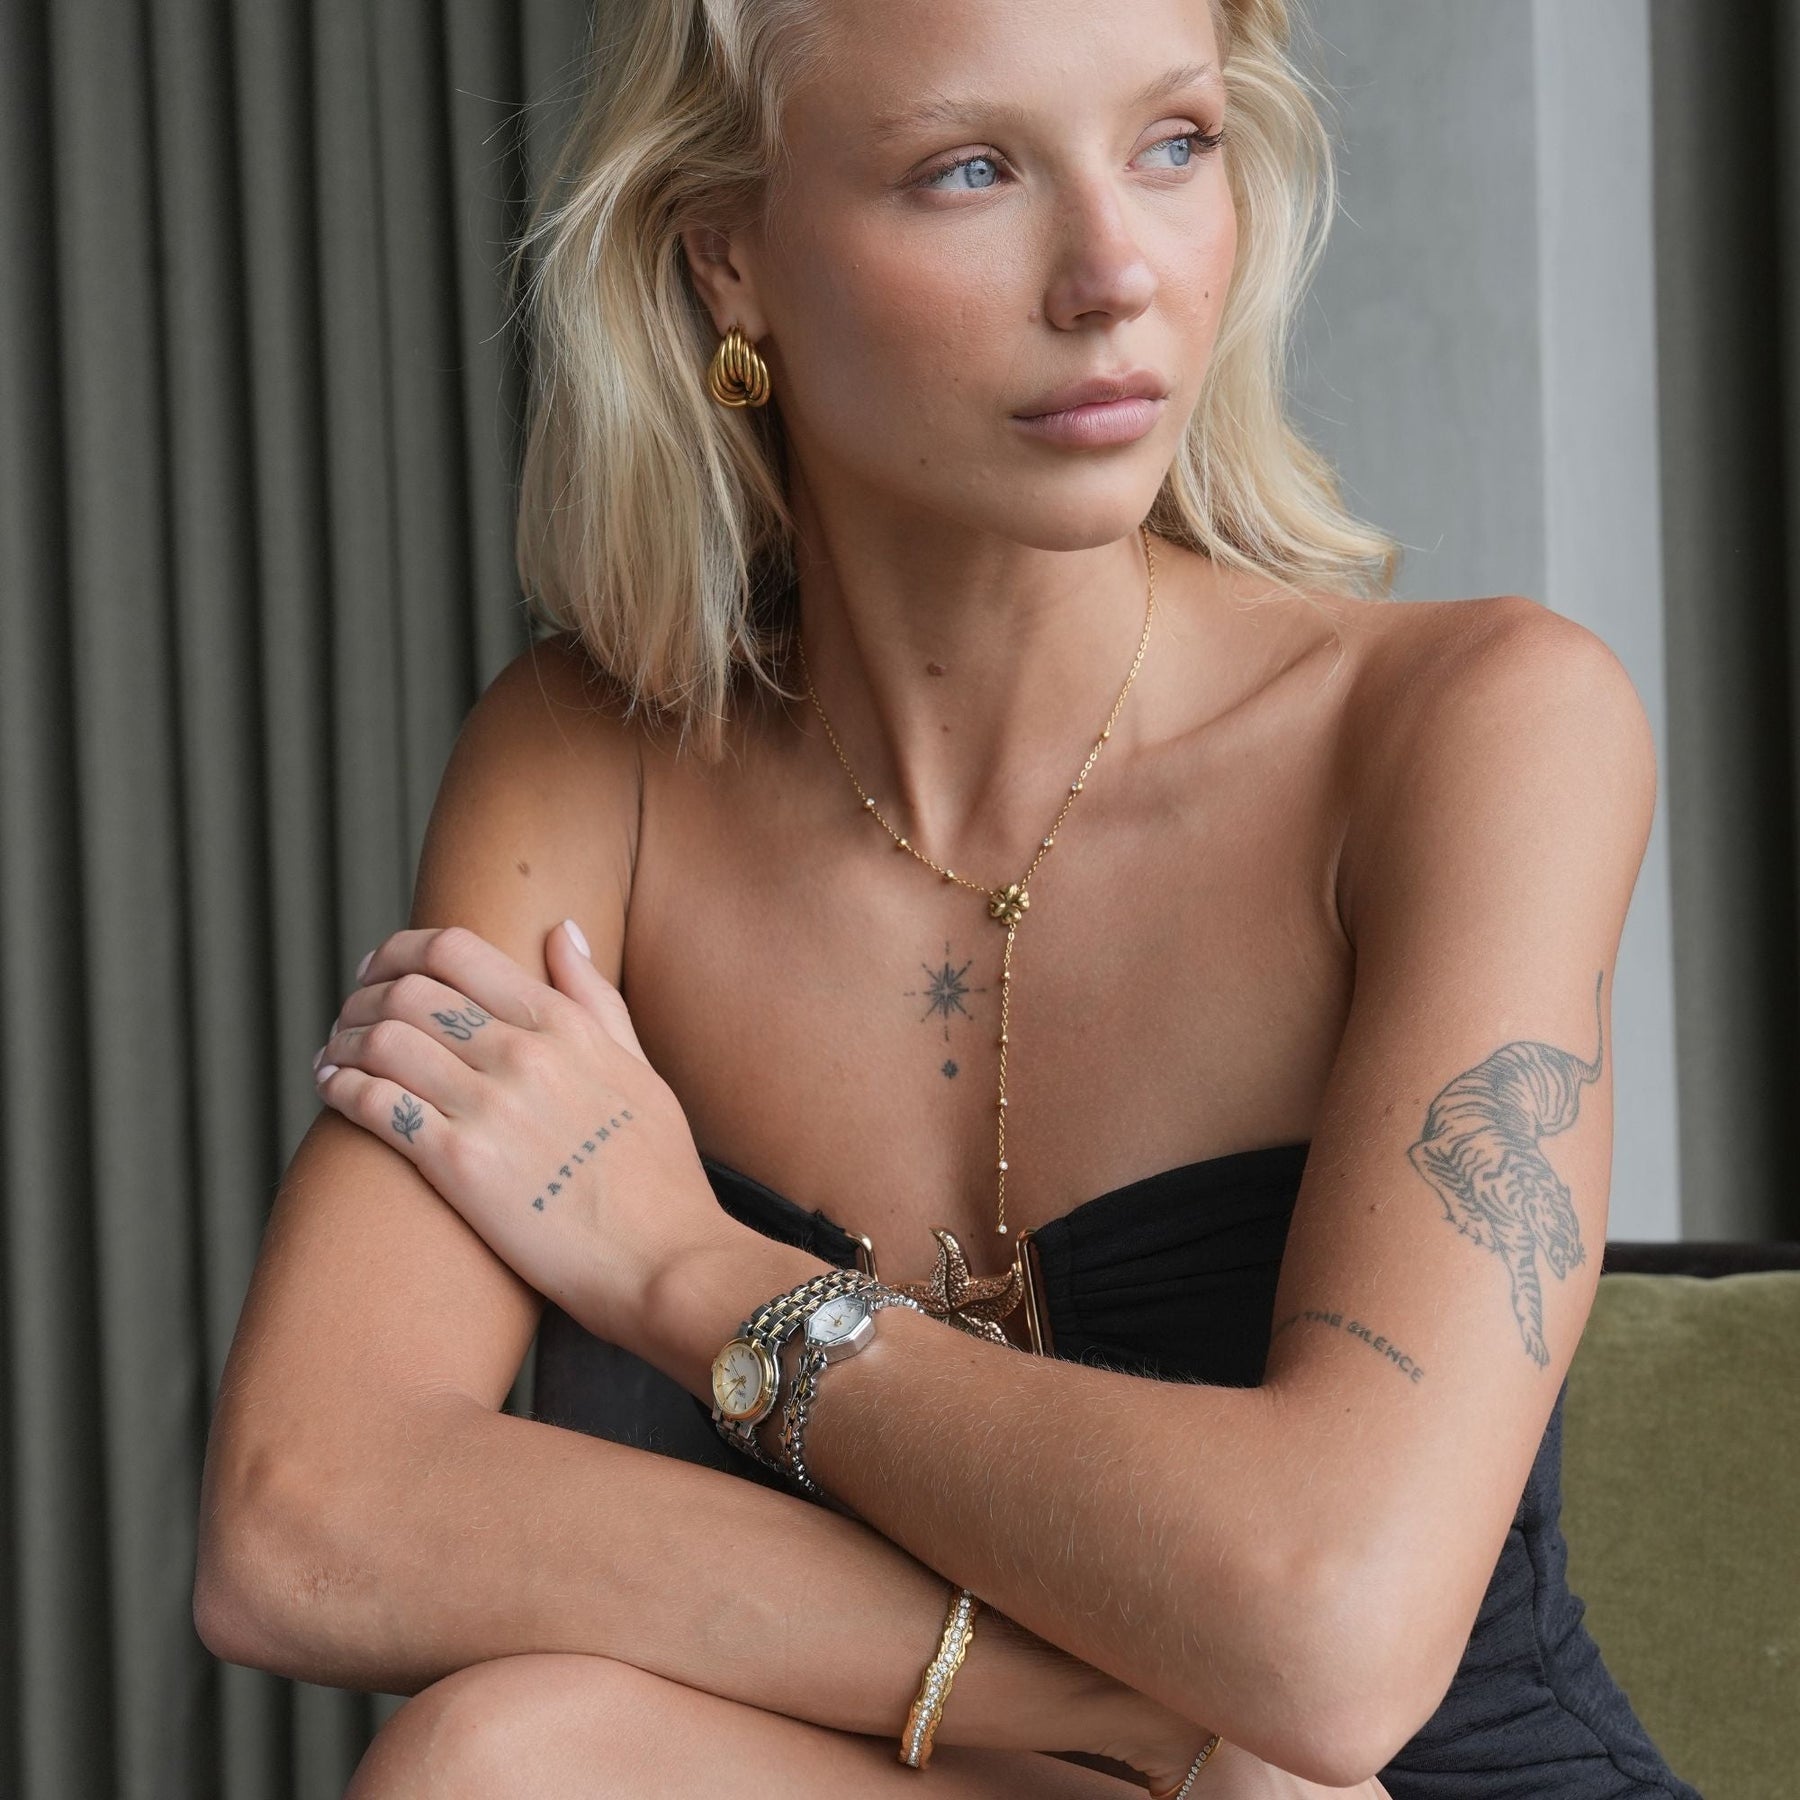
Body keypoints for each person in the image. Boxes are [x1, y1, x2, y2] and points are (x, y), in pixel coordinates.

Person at [193, 0, 1702, 1795]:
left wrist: (690, 1268)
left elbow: (1337, 1634)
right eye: (971, 171)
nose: (1116, 273)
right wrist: (1125, 1704)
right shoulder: (591, 765)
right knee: (506, 1763)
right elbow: (304, 1521)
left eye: (1175, 144)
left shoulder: (1480, 724)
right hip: (1106, 1762)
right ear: (729, 255)